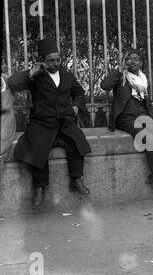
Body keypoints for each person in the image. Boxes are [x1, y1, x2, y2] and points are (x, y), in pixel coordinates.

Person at [7, 38, 91, 207]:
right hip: (42, 122)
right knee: (38, 146)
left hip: (65, 120)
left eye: (58, 59)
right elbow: (13, 83)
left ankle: (77, 179)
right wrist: (32, 72)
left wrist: (75, 107)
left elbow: (80, 93)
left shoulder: (67, 75)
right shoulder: (36, 77)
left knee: (76, 141)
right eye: (51, 60)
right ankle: (39, 187)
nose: (56, 63)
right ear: (42, 61)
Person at [100, 49, 153, 195]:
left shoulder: (142, 79)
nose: (131, 62)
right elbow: (104, 85)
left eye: (135, 59)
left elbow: (147, 102)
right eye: (128, 59)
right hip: (125, 117)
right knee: (146, 137)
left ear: (141, 63)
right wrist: (119, 69)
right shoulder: (121, 77)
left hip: (142, 114)